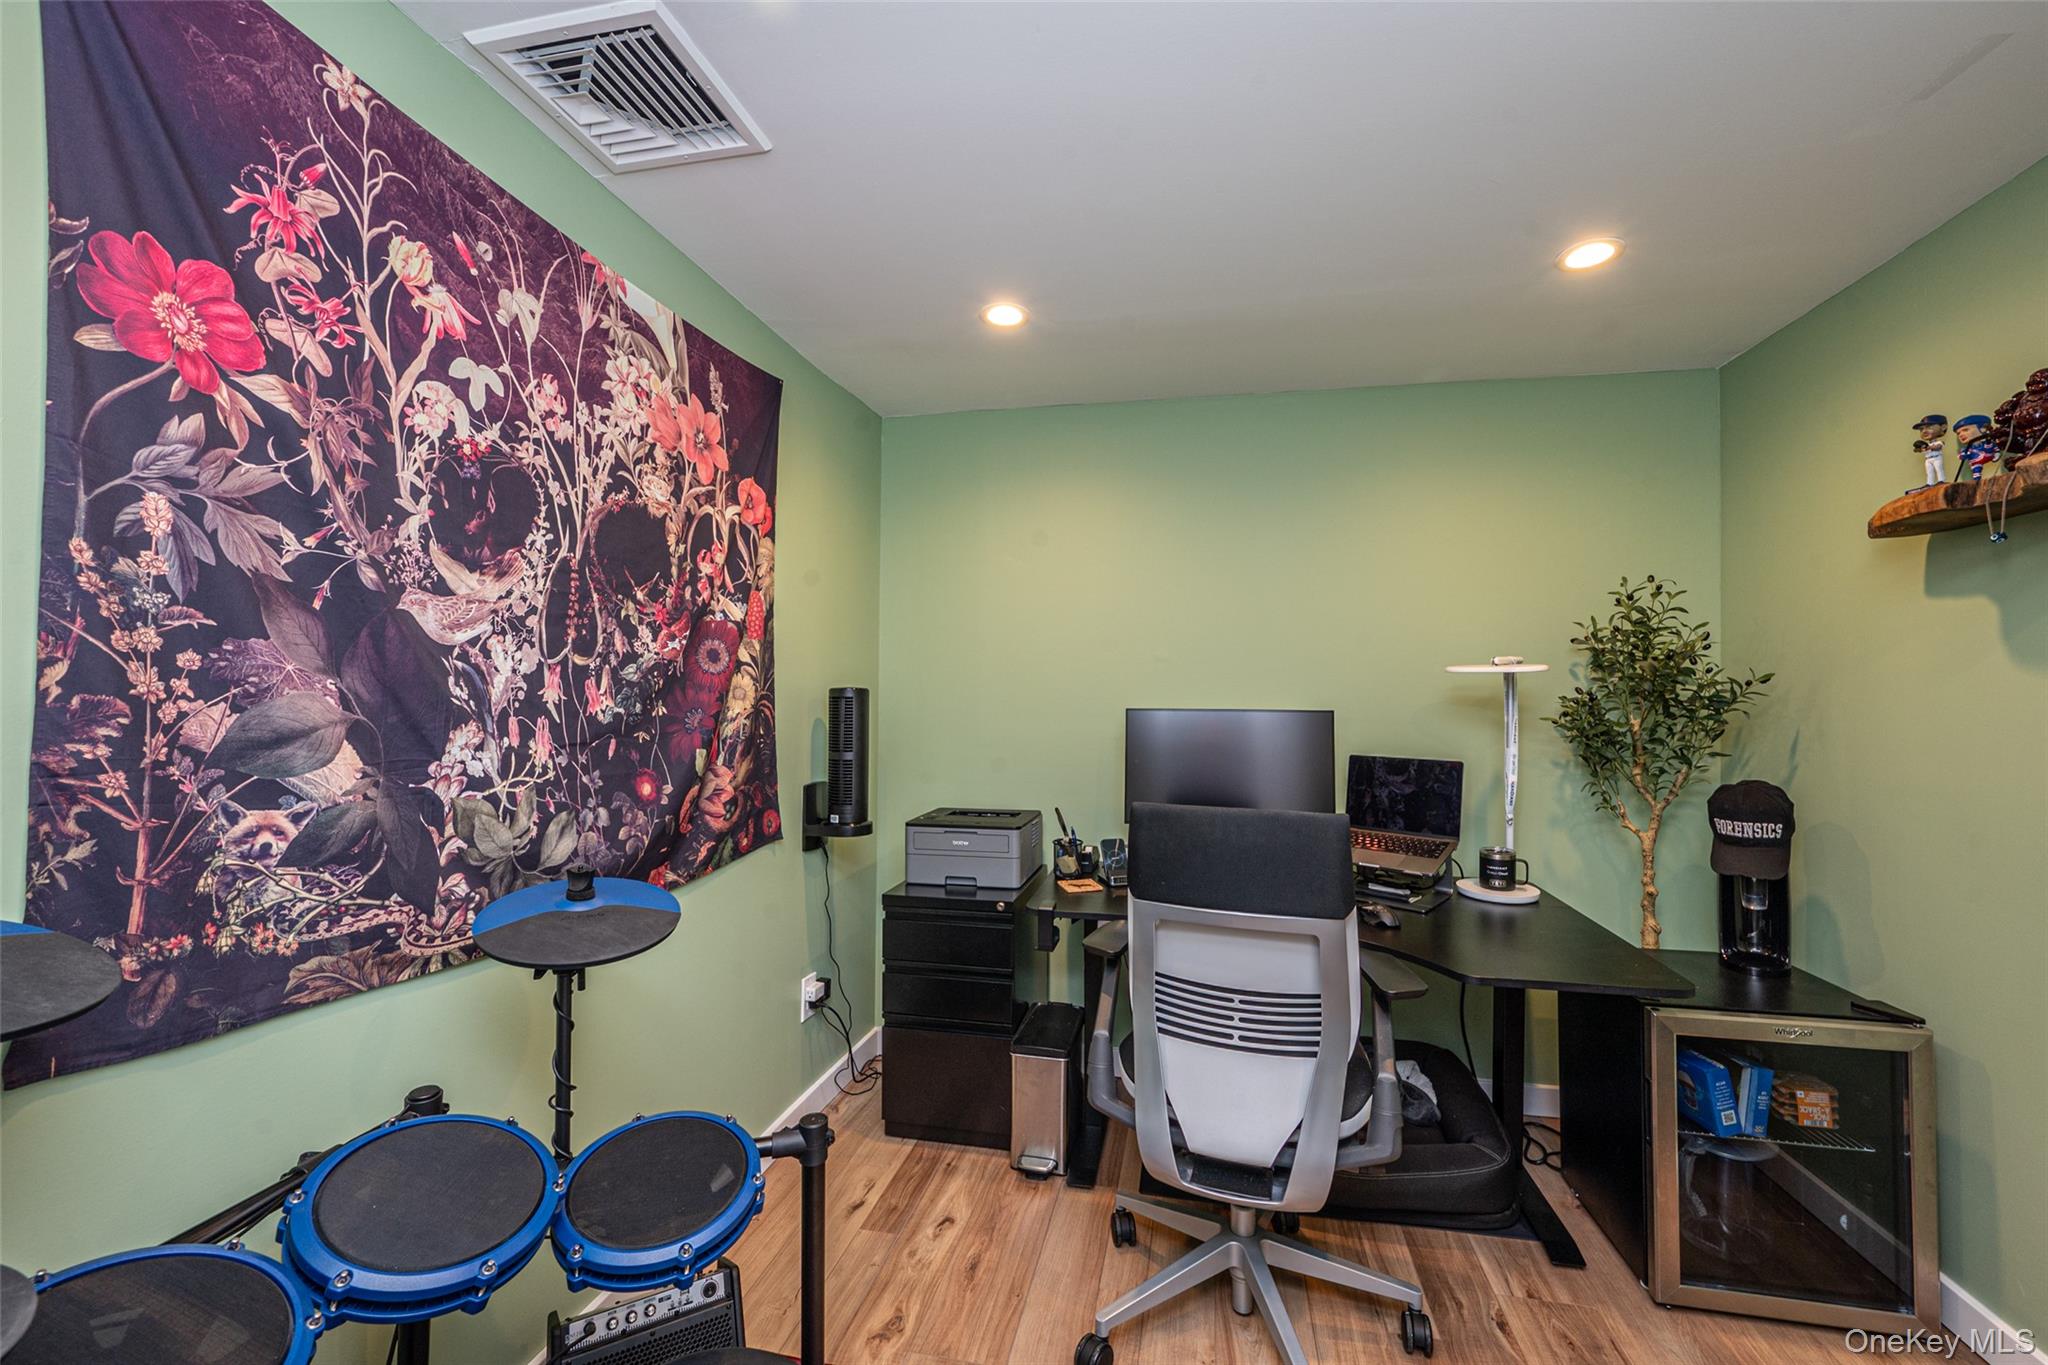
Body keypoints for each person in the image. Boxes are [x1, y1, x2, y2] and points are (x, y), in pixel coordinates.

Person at [1954, 414, 1998, 481]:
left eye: (1965, 430)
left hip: (1988, 455)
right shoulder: (1968, 449)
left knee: (1990, 446)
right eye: (1958, 433)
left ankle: (1996, 454)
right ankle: (1977, 479)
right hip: (1976, 461)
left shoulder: (1987, 442)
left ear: (1983, 429)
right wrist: (1964, 455)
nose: (1961, 435)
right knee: (1976, 469)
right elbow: (1963, 455)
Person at [1909, 413, 1947, 487]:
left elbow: (1938, 447)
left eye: (1929, 427)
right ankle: (1929, 483)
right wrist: (1918, 449)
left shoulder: (1938, 442)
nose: (1924, 431)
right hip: (1928, 459)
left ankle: (1941, 480)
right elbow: (1918, 450)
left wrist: (1928, 447)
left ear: (1943, 427)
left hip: (1937, 458)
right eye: (1921, 429)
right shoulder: (1926, 444)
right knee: (1929, 472)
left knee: (1939, 469)